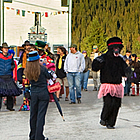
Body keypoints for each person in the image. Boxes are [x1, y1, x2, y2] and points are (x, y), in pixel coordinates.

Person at [92, 37, 131, 129]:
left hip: (117, 85)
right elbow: (95, 67)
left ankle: (111, 123)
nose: (117, 50)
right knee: (109, 103)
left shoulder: (120, 59)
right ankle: (104, 118)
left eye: (118, 48)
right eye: (115, 48)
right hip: (107, 84)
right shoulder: (103, 58)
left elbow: (124, 71)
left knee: (117, 104)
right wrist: (97, 62)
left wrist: (128, 71)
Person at [24, 51, 53, 140]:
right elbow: (49, 76)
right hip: (43, 92)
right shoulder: (43, 68)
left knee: (33, 115)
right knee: (41, 115)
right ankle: (39, 136)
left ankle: (32, 135)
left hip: (34, 93)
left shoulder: (27, 70)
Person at [0, 42, 22, 111]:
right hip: (1, 76)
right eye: (4, 48)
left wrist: (10, 69)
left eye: (7, 48)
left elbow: (13, 65)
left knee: (10, 92)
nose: (6, 49)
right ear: (2, 49)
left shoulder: (10, 56)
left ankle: (10, 106)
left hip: (8, 76)